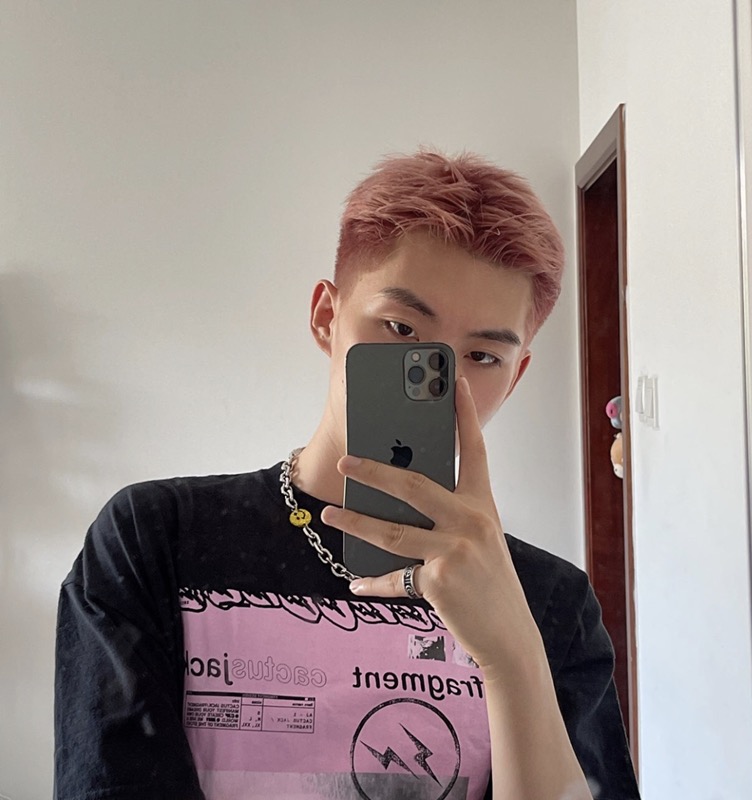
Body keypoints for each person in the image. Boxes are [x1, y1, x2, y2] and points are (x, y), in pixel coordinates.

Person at [54, 150, 640, 800]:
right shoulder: (156, 538)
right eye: (400, 327)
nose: (439, 382)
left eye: (481, 356)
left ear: (517, 375)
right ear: (326, 317)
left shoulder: (552, 601)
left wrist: (514, 658)